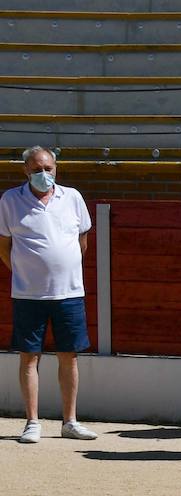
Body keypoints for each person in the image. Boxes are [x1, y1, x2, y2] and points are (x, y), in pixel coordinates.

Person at [0, 145, 98, 443]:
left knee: (69, 356)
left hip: (69, 292)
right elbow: (4, 246)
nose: (44, 174)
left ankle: (70, 421)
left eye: (48, 168)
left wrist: (63, 267)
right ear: (25, 171)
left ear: (56, 168)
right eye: (37, 169)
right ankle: (32, 422)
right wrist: (24, 270)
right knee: (29, 357)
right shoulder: (10, 200)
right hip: (29, 293)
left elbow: (82, 239)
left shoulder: (72, 197)